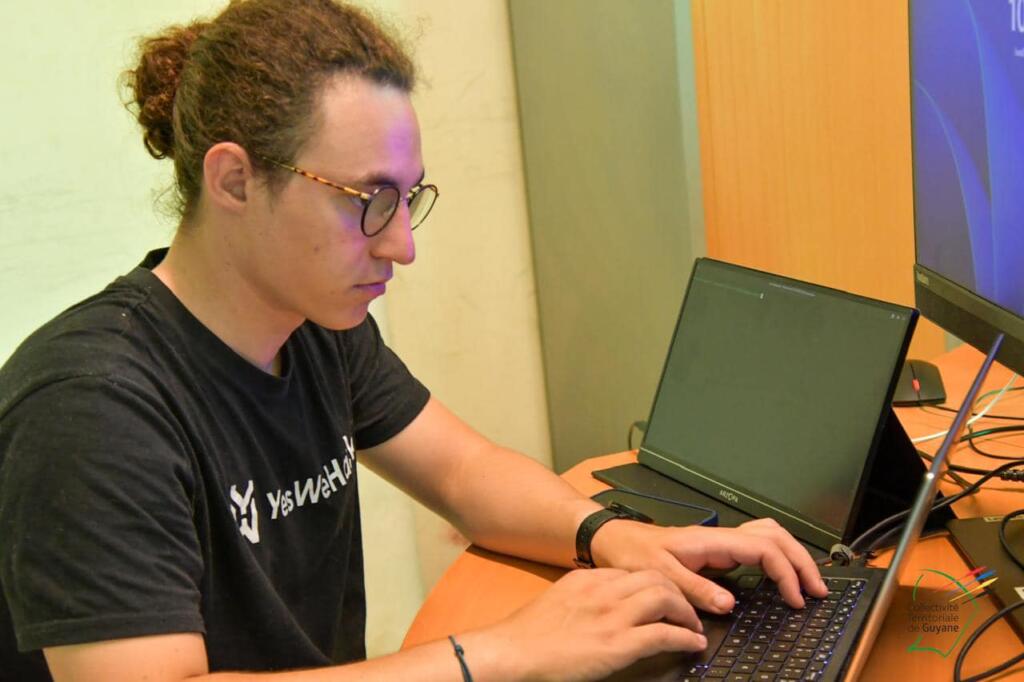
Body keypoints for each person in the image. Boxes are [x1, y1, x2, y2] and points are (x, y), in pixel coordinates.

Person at [0, 1, 828, 680]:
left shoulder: (314, 324)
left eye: (407, 199)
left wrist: (618, 537)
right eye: (368, 201)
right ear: (234, 180)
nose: (401, 245)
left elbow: (465, 473)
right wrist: (501, 653)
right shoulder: (90, 410)